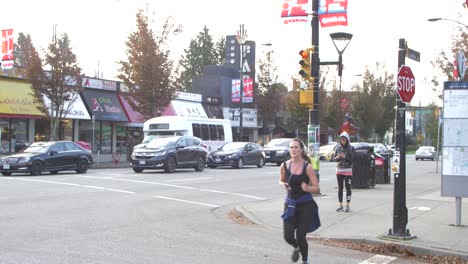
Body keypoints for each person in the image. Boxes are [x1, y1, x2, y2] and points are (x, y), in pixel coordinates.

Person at [279, 138, 321, 264]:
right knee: (287, 236)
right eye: (291, 147)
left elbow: (317, 188)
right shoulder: (284, 165)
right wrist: (283, 185)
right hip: (290, 204)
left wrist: (307, 188)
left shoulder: (307, 167)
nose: (293, 150)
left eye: (296, 147)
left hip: (305, 205)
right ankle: (297, 247)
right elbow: (281, 180)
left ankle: (305, 260)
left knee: (301, 236)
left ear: (301, 150)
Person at [334, 131, 354, 212]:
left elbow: (353, 159)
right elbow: (334, 159)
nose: (342, 141)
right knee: (340, 188)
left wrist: (345, 156)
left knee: (348, 187)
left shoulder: (351, 148)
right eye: (341, 139)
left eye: (344, 139)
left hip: (348, 170)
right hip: (339, 169)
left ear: (347, 140)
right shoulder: (337, 147)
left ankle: (347, 205)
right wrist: (338, 157)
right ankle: (340, 205)